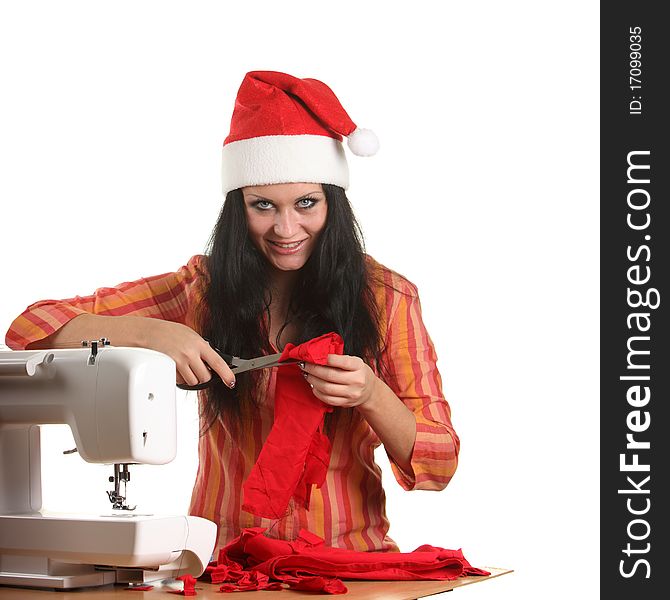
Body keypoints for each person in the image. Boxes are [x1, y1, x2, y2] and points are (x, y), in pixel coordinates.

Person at [5, 71, 459, 553]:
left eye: (307, 203)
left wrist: (370, 393)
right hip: (223, 563)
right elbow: (31, 327)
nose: (287, 228)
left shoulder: (388, 296)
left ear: (334, 202)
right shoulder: (199, 289)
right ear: (237, 208)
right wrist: (151, 334)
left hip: (347, 564)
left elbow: (440, 463)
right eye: (262, 205)